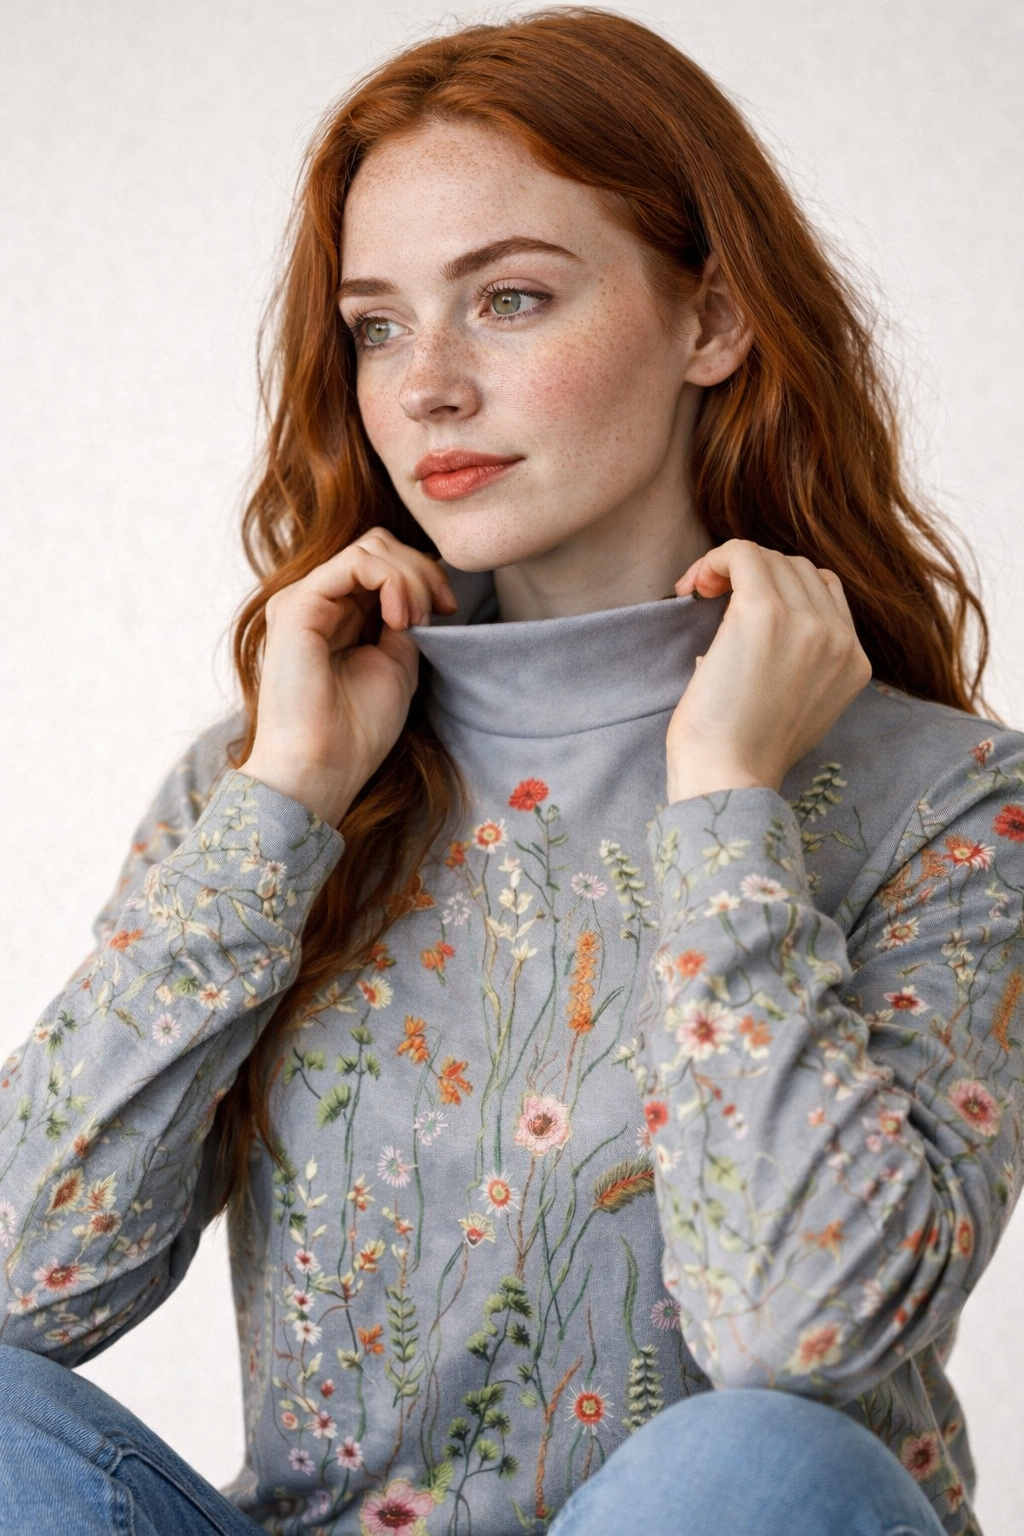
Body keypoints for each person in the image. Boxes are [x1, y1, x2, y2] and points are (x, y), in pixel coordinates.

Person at [0, 8, 1018, 1535]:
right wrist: (280, 809)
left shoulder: (952, 803)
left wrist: (727, 801)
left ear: (712, 321)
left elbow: (796, 1343)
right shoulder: (273, 776)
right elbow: (18, 1291)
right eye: (378, 326)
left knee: (763, 1457)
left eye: (511, 299)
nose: (428, 386)